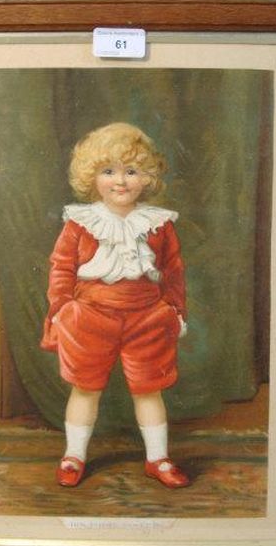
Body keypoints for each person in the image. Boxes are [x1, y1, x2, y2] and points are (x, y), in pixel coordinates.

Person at [40, 122, 190, 489]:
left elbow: (173, 270)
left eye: (131, 171)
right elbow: (61, 268)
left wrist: (174, 309)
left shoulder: (158, 224)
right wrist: (61, 308)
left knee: (148, 388)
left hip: (146, 315)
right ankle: (73, 455)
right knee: (85, 387)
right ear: (92, 176)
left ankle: (158, 458)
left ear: (147, 177)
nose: (120, 181)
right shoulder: (80, 223)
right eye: (108, 171)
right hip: (90, 316)